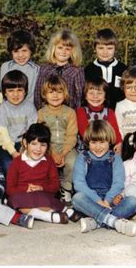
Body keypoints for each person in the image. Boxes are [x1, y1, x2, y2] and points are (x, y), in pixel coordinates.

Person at [72, 120, 136, 236]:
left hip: (110, 202)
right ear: (88, 142)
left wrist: (107, 201)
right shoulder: (82, 157)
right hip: (90, 201)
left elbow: (118, 183)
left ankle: (96, 221)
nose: (98, 147)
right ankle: (112, 221)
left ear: (109, 141)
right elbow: (79, 183)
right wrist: (98, 201)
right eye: (93, 142)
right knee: (77, 198)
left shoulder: (115, 158)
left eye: (102, 142)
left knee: (133, 202)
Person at [6, 123, 81, 224]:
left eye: (43, 145)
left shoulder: (49, 161)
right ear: (25, 143)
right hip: (23, 196)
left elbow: (55, 186)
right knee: (13, 200)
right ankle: (50, 215)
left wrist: (42, 188)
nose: (38, 149)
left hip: (42, 196)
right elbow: (10, 188)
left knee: (45, 198)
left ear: (48, 146)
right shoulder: (17, 162)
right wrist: (25, 189)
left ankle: (60, 211)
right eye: (34, 144)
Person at [37, 76, 78, 204]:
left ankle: (66, 188)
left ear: (65, 94)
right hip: (47, 147)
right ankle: (48, 190)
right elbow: (40, 136)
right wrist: (52, 152)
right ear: (44, 95)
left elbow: (72, 135)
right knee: (42, 162)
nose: (55, 95)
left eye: (59, 92)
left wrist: (64, 153)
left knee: (73, 161)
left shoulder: (70, 112)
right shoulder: (41, 113)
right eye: (51, 92)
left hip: (66, 147)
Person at [0, 70, 37, 177]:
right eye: (11, 90)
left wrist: (26, 147)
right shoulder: (3, 109)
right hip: (7, 145)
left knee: (31, 166)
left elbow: (32, 129)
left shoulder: (30, 107)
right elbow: (2, 133)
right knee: (8, 167)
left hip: (25, 143)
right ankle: (11, 191)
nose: (15, 94)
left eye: (19, 90)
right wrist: (13, 152)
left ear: (25, 91)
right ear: (4, 92)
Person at [34, 29, 85, 110]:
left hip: (69, 115)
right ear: (53, 48)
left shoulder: (77, 71)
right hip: (47, 113)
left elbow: (79, 96)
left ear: (73, 51)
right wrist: (42, 111)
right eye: (60, 48)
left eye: (67, 49)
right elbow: (38, 93)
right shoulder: (44, 69)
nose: (63, 51)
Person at [76, 77, 123, 154]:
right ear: (85, 96)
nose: (95, 96)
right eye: (91, 93)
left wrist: (119, 143)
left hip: (105, 149)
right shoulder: (81, 111)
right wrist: (97, 145)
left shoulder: (110, 112)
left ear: (105, 96)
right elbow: (84, 132)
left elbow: (115, 132)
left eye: (99, 93)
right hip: (85, 150)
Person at [84, 28, 127, 109]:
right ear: (94, 48)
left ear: (116, 49)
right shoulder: (88, 70)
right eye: (101, 48)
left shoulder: (124, 69)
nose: (105, 52)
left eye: (109, 48)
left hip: (118, 113)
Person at [0, 29, 40, 105]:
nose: (20, 55)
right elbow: (4, 91)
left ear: (31, 50)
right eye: (16, 51)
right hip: (9, 109)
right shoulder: (6, 67)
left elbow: (36, 95)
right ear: (11, 52)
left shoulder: (36, 69)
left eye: (24, 51)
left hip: (29, 110)